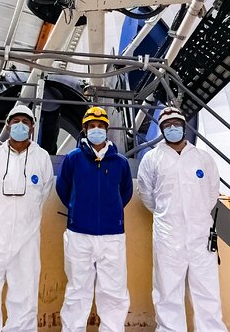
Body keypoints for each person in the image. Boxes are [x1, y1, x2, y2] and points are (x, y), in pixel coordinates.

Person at [137, 107, 227, 332]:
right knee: (168, 291)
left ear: (184, 126)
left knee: (207, 291)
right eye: (167, 126)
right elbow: (147, 194)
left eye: (177, 124)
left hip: (201, 237)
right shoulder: (152, 159)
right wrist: (169, 216)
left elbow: (211, 193)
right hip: (168, 236)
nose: (173, 128)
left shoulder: (202, 158)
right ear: (162, 129)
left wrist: (195, 218)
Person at [0, 105, 55, 331]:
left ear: (32, 127)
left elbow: (44, 191)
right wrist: (0, 216)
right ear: (8, 125)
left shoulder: (42, 157)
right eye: (15, 120)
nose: (20, 125)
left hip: (27, 236)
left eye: (25, 122)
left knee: (24, 294)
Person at [56, 106, 133, 332]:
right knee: (77, 291)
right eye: (92, 126)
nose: (96, 130)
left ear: (106, 130)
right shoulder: (73, 159)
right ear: (85, 129)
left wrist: (111, 212)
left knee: (114, 292)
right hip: (79, 233)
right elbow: (64, 189)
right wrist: (78, 210)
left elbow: (125, 193)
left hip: (112, 236)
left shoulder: (120, 162)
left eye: (100, 126)